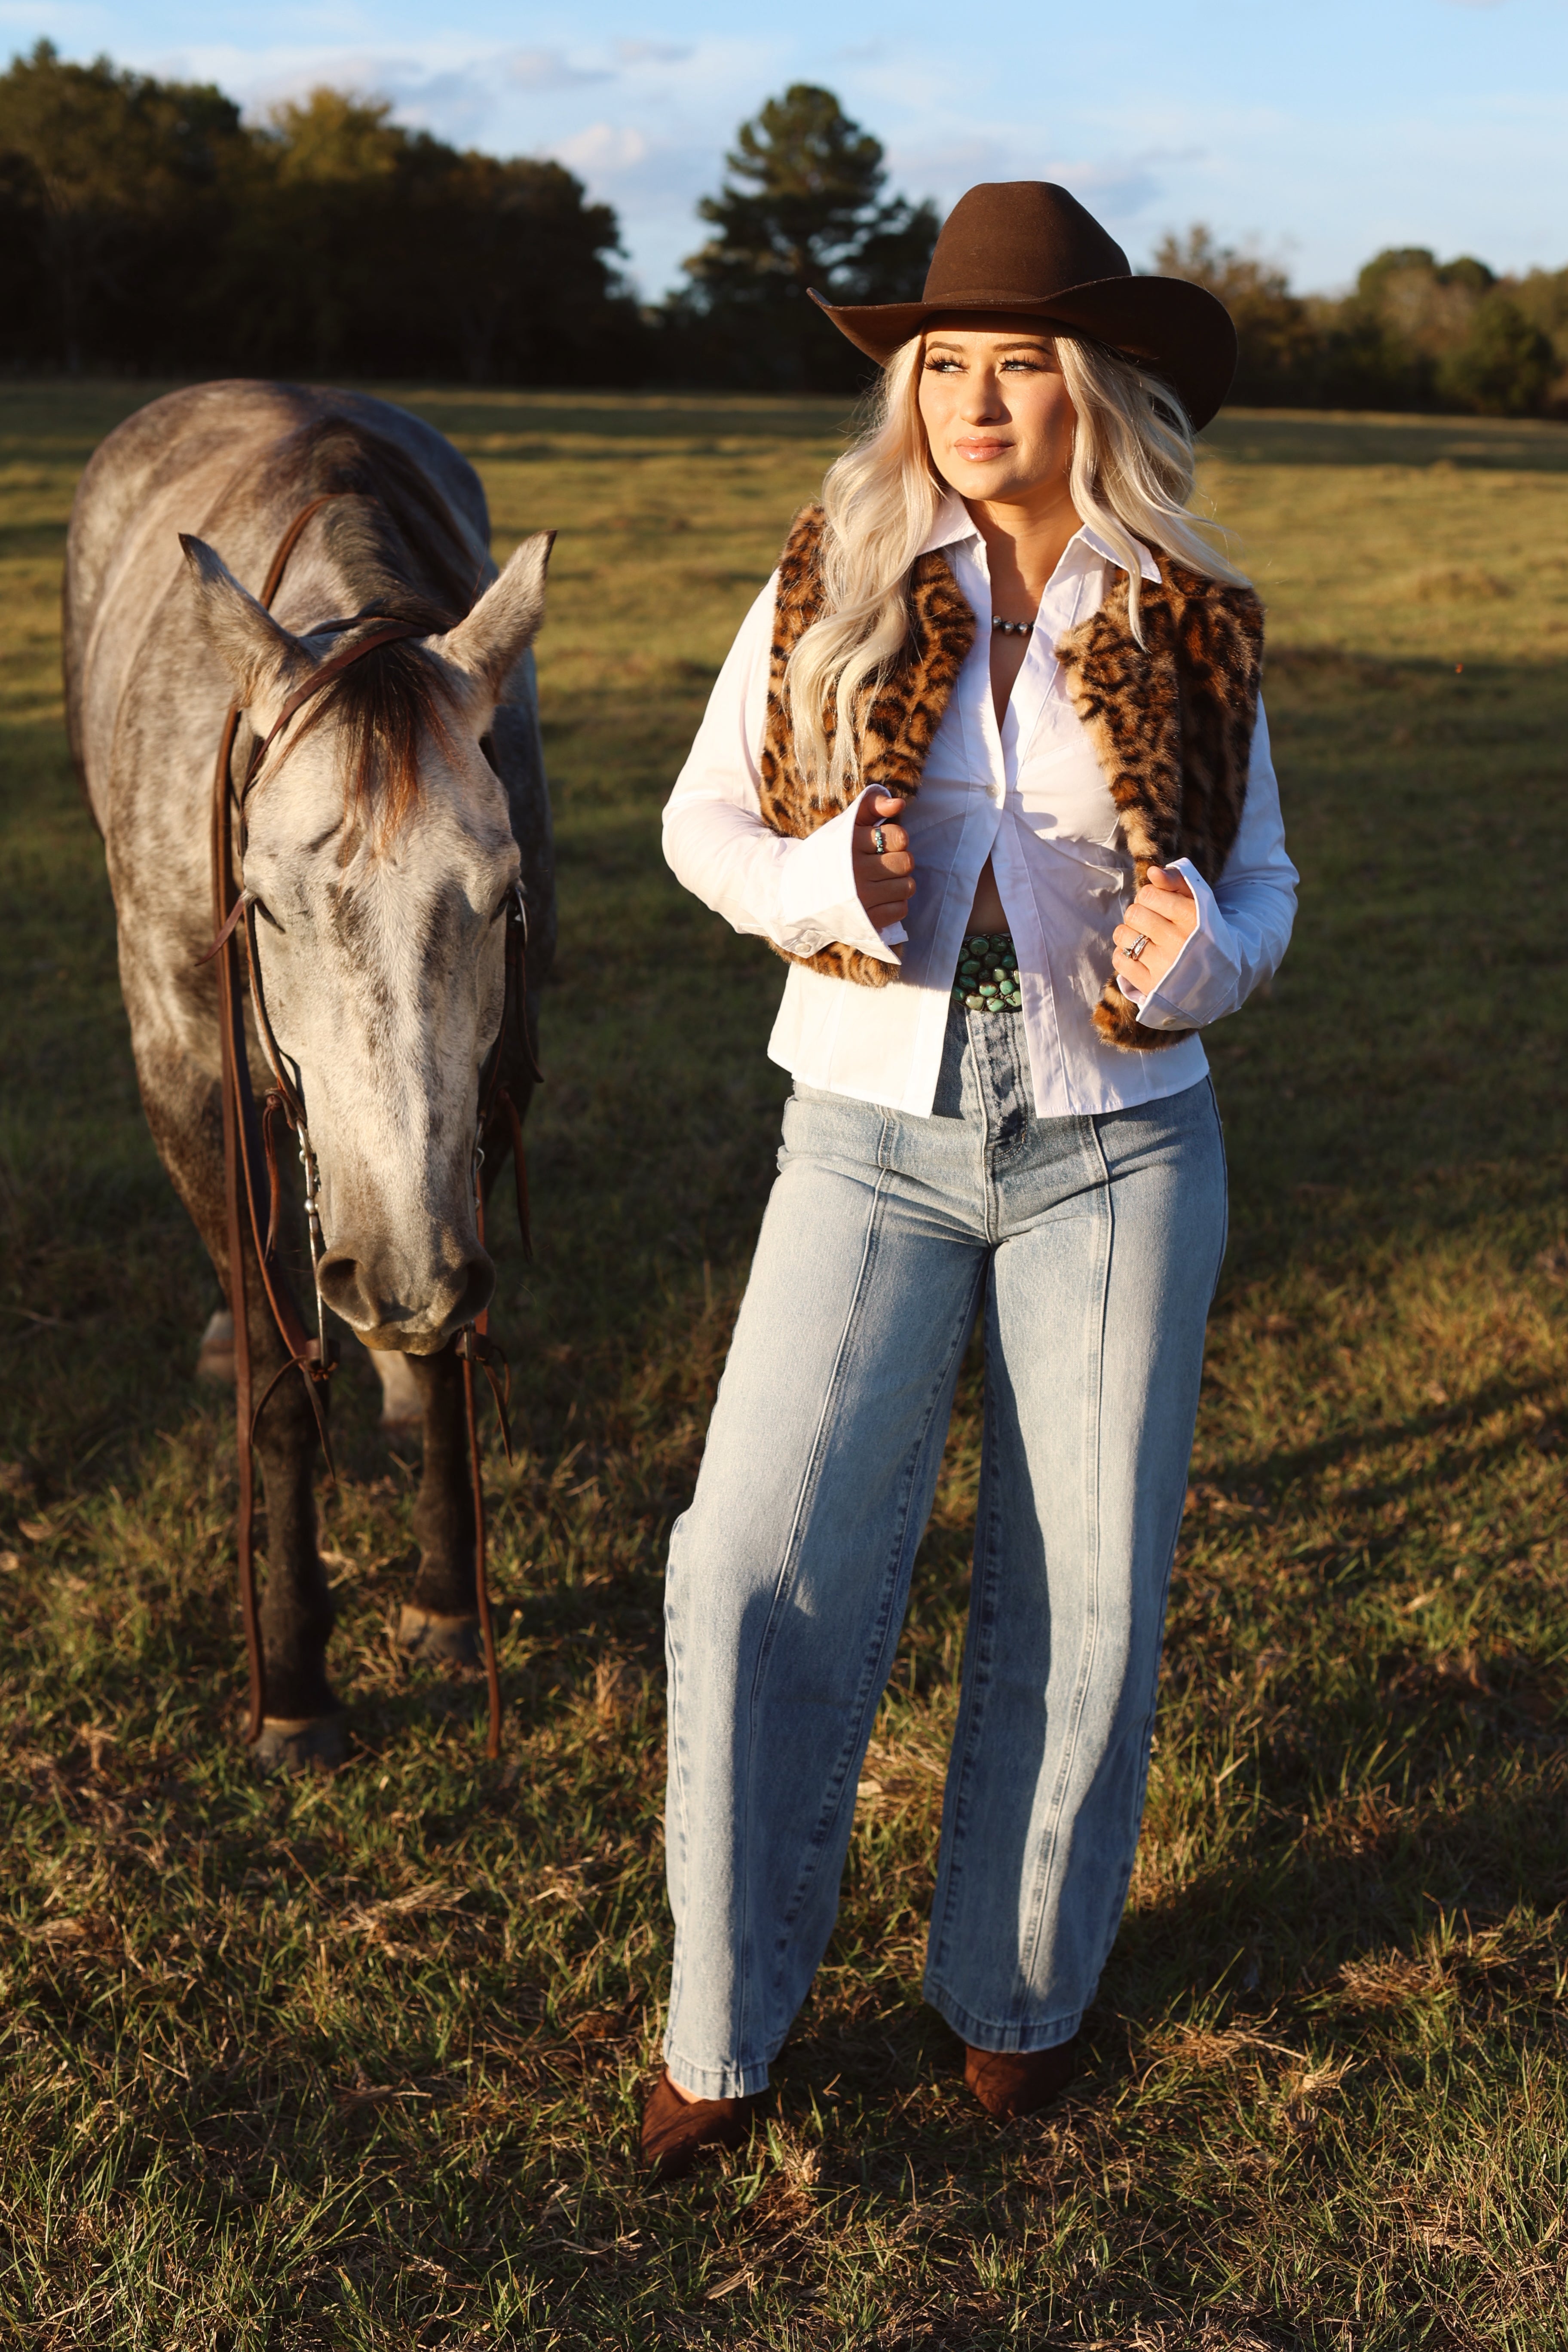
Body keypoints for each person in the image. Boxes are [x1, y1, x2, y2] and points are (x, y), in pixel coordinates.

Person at [642, 181, 1297, 2180]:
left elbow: (1265, 883)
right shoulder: (833, 573)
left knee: (1081, 1589)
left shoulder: (1185, 611)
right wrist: (825, 883)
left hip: (1123, 1141)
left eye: (1019, 363)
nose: (977, 401)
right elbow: (697, 828)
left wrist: (1206, 961)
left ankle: (1016, 1992)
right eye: (945, 364)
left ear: (1091, 386)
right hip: (867, 1127)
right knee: (748, 1559)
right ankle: (723, 2018)